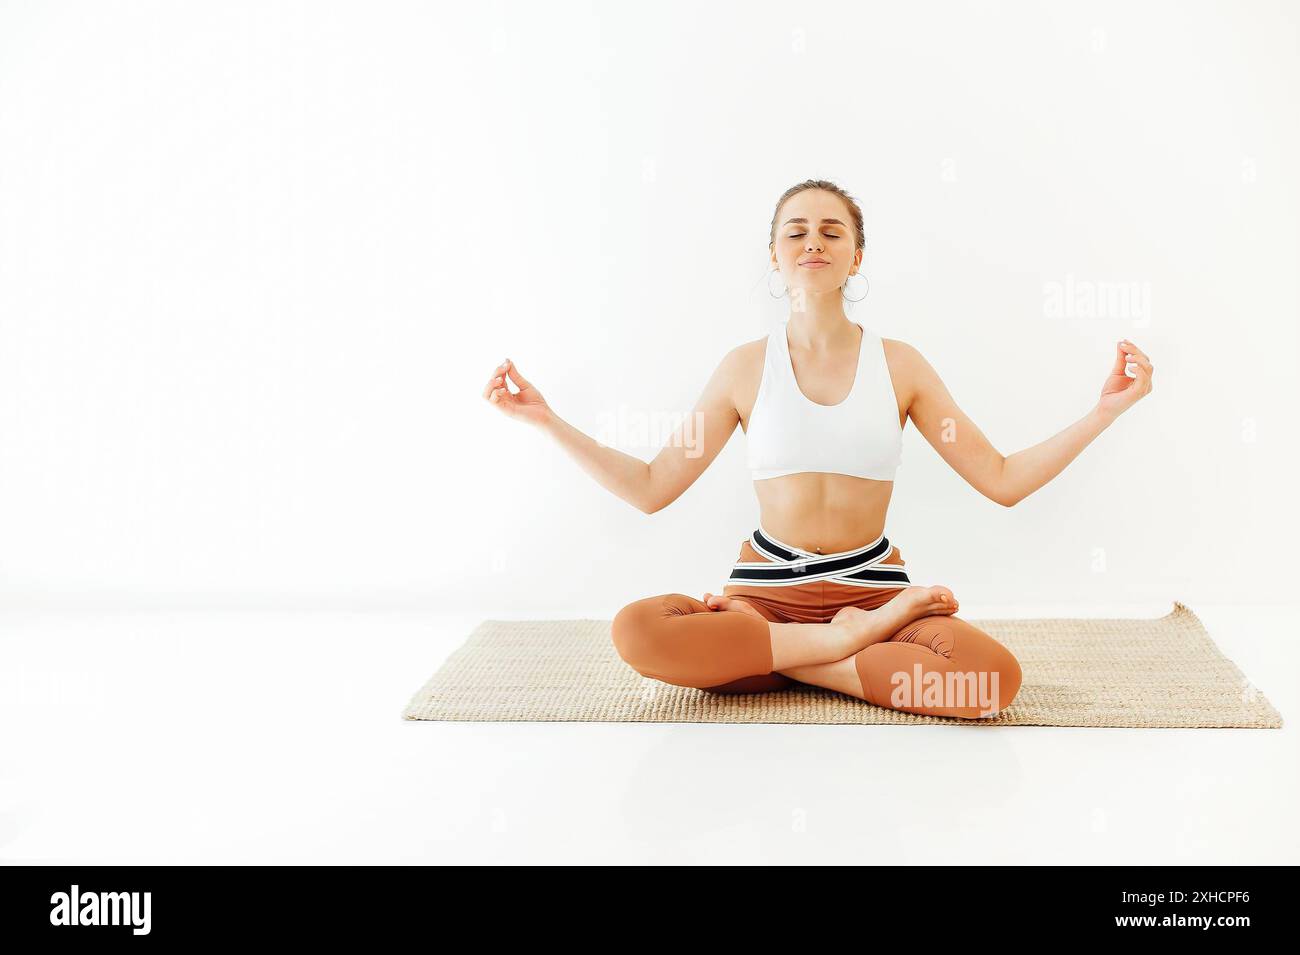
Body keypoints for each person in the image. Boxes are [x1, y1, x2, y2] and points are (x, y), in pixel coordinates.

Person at [480, 179, 1154, 719]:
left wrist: (1104, 412)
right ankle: (833, 652)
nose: (813, 241)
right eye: (795, 231)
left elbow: (1002, 478)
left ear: (856, 256)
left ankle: (782, 663)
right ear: (774, 255)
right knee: (637, 630)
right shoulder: (744, 368)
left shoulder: (902, 365)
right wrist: (546, 419)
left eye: (833, 231)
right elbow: (654, 485)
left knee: (989, 682)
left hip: (872, 594)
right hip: (765, 601)